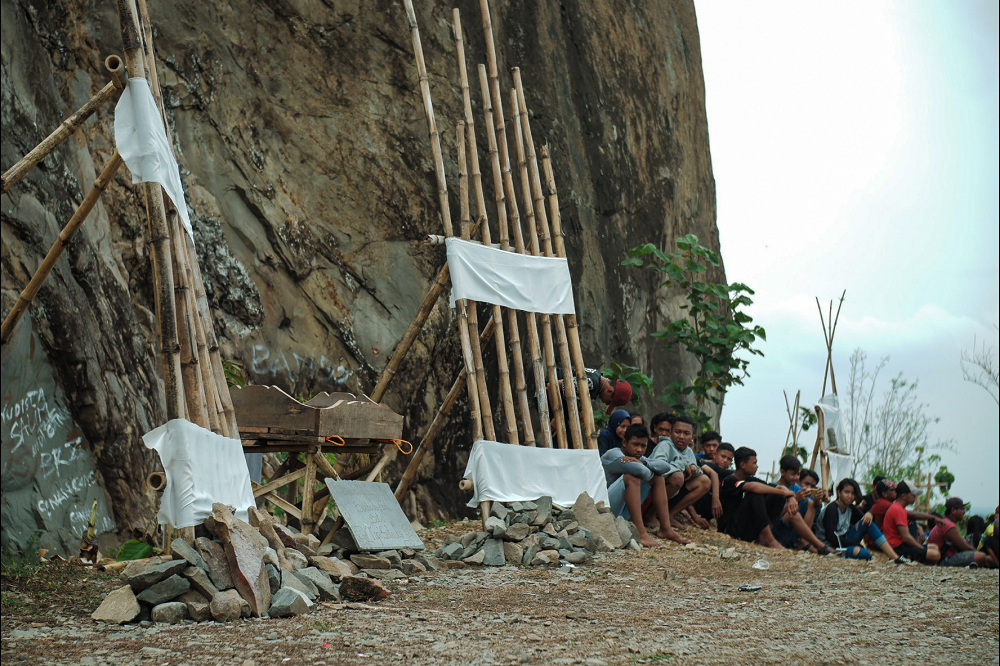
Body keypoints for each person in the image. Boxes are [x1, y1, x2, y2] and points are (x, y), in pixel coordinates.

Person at [601, 424, 688, 546]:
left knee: (658, 478)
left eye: (643, 446)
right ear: (625, 442)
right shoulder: (614, 454)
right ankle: (641, 533)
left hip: (623, 511)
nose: (639, 450)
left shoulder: (640, 458)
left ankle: (666, 528)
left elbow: (665, 467)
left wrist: (643, 462)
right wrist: (644, 464)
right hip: (606, 509)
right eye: (635, 444)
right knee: (632, 477)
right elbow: (640, 471)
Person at [816, 478, 909, 563]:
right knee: (863, 553)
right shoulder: (832, 509)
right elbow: (832, 538)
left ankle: (894, 557)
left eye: (853, 493)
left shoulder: (850, 508)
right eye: (846, 492)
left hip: (844, 541)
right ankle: (851, 552)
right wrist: (857, 545)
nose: (850, 496)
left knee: (867, 522)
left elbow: (863, 519)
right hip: (831, 546)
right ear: (839, 492)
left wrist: (870, 513)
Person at [718, 447, 795, 548]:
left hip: (746, 527)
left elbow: (779, 487)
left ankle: (763, 537)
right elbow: (753, 487)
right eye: (754, 463)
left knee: (777, 495)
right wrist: (783, 492)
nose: (757, 466)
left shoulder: (750, 479)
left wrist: (790, 497)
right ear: (743, 465)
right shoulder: (730, 480)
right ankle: (770, 540)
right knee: (755, 493)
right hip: (729, 529)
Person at [649, 416, 712, 529]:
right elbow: (658, 467)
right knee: (677, 477)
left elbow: (696, 472)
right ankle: (649, 515)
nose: (681, 437)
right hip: (654, 489)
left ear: (692, 437)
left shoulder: (688, 451)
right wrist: (683, 466)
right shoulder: (665, 445)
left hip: (672, 493)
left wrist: (694, 468)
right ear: (671, 432)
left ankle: (669, 515)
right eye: (677, 432)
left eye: (686, 433)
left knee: (705, 481)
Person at [771, 455, 834, 554]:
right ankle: (821, 546)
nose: (796, 478)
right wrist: (795, 499)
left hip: (791, 534)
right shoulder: (773, 488)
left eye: (798, 474)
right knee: (793, 514)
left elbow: (816, 506)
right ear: (783, 472)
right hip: (776, 533)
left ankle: (804, 541)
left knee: (809, 502)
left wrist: (818, 500)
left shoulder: (796, 488)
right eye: (793, 474)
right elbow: (772, 516)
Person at [881, 480, 941, 565]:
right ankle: (918, 561)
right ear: (903, 496)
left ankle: (921, 560)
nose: (915, 497)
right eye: (913, 495)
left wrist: (933, 517)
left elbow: (914, 515)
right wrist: (920, 548)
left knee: (934, 547)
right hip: (898, 548)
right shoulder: (898, 510)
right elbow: (906, 537)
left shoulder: (898, 508)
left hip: (900, 546)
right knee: (935, 555)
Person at [927, 498, 994, 568]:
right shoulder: (949, 525)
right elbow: (965, 547)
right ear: (953, 510)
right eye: (962, 509)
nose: (964, 512)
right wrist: (978, 553)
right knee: (981, 556)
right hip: (943, 560)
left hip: (941, 558)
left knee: (987, 558)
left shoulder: (946, 522)